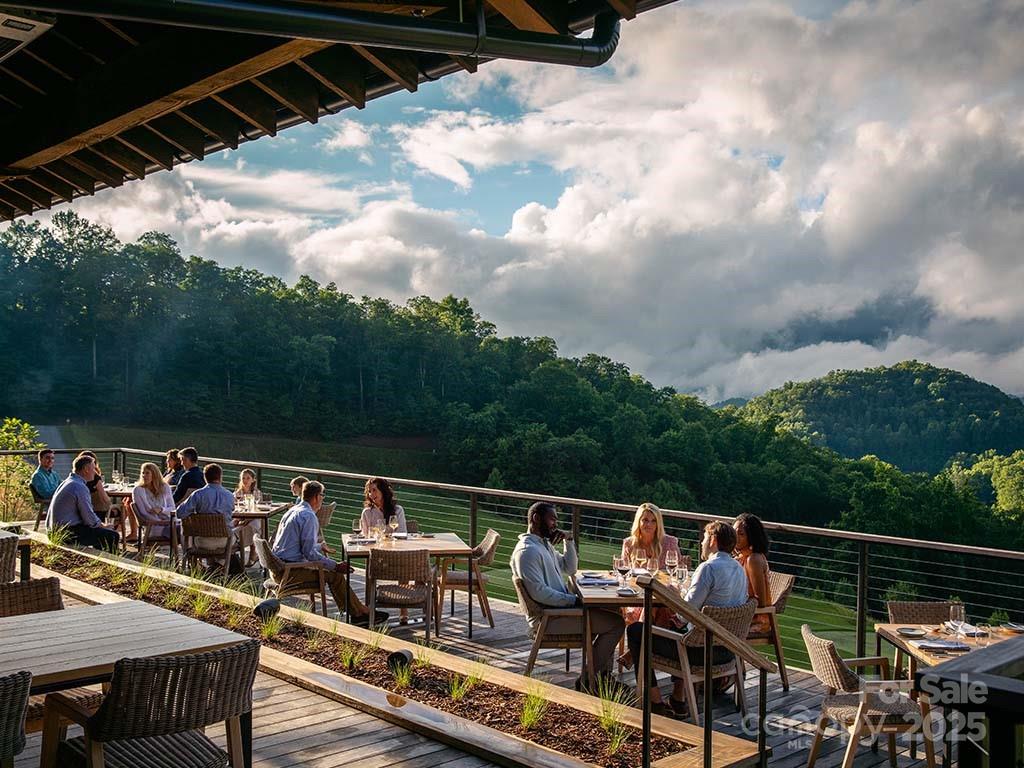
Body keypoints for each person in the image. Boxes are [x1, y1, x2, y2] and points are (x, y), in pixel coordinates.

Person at [625, 520, 748, 717]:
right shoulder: (739, 570)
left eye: (705, 538)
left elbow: (684, 614)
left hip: (698, 654)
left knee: (636, 631)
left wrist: (673, 593)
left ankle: (654, 700)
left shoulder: (708, 568)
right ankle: (678, 699)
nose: (701, 542)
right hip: (728, 651)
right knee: (681, 631)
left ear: (713, 540)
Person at [510, 501, 625, 689]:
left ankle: (603, 678)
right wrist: (574, 601)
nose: (555, 524)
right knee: (616, 624)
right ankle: (588, 679)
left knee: (613, 609)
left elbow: (570, 568)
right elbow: (539, 593)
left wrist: (569, 540)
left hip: (560, 611)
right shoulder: (527, 552)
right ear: (536, 519)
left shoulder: (543, 545)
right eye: (552, 519)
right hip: (549, 619)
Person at [272, 481, 387, 627]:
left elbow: (297, 546)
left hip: (278, 567)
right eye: (322, 495)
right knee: (335, 574)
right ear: (315, 497)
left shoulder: (294, 511)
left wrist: (320, 546)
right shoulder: (308, 516)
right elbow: (309, 554)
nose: (322, 499)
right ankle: (359, 613)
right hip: (288, 573)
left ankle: (358, 611)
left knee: (332, 571)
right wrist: (335, 566)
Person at [617, 503, 685, 667]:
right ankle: (651, 654)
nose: (648, 524)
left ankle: (634, 653)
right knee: (658, 608)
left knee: (657, 599)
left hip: (662, 596)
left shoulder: (669, 542)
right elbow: (623, 576)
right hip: (637, 599)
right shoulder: (629, 544)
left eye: (653, 521)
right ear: (638, 522)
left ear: (658, 523)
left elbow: (678, 572)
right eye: (645, 520)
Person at [176, 463, 251, 569]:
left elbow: (179, 513)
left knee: (185, 528)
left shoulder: (197, 495)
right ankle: (219, 565)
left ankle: (210, 566)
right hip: (224, 542)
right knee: (238, 531)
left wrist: (194, 514)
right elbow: (232, 511)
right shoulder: (229, 496)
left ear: (205, 478)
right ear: (220, 477)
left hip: (201, 542)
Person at [45, 454, 120, 552]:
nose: (95, 472)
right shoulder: (78, 486)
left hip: (54, 530)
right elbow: (88, 516)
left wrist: (100, 526)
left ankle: (99, 559)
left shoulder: (69, 482)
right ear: (86, 469)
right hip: (66, 533)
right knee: (112, 536)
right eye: (93, 468)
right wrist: (104, 526)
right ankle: (111, 563)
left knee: (100, 533)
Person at [734, 513, 772, 634]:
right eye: (734, 532)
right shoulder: (741, 557)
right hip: (741, 614)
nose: (735, 537)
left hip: (756, 619)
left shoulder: (753, 559)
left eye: (741, 534)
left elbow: (760, 602)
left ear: (751, 537)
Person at [131, 462, 177, 542]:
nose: (144, 476)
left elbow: (172, 508)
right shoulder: (138, 490)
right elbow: (143, 513)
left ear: (154, 474)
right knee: (181, 531)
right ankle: (184, 553)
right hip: (153, 526)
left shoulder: (165, 487)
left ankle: (186, 553)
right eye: (143, 473)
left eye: (147, 473)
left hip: (169, 522)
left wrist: (162, 509)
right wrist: (160, 522)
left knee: (186, 529)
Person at [233, 468, 263, 566]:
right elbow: (234, 508)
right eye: (243, 478)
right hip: (240, 517)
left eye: (248, 478)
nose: (245, 480)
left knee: (252, 526)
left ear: (253, 480)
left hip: (254, 517)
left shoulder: (256, 493)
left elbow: (257, 509)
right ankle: (234, 552)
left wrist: (247, 519)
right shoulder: (237, 493)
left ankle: (253, 553)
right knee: (233, 525)